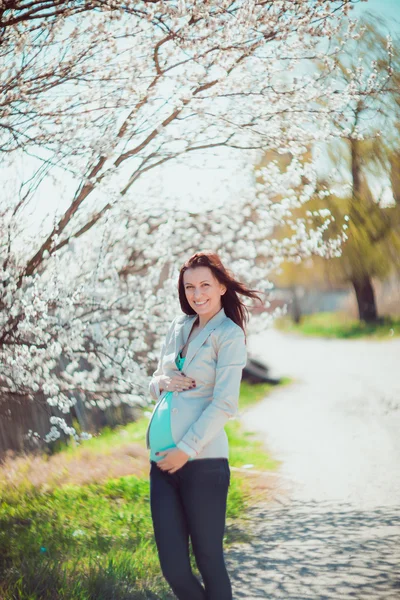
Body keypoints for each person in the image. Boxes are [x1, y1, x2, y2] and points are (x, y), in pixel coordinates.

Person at [146, 250, 262, 600]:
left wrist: (186, 451)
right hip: (161, 461)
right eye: (190, 287)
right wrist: (162, 382)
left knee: (210, 561)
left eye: (205, 286)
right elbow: (155, 381)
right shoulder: (179, 326)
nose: (197, 294)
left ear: (222, 286)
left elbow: (225, 404)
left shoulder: (229, 335)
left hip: (203, 461)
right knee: (174, 568)